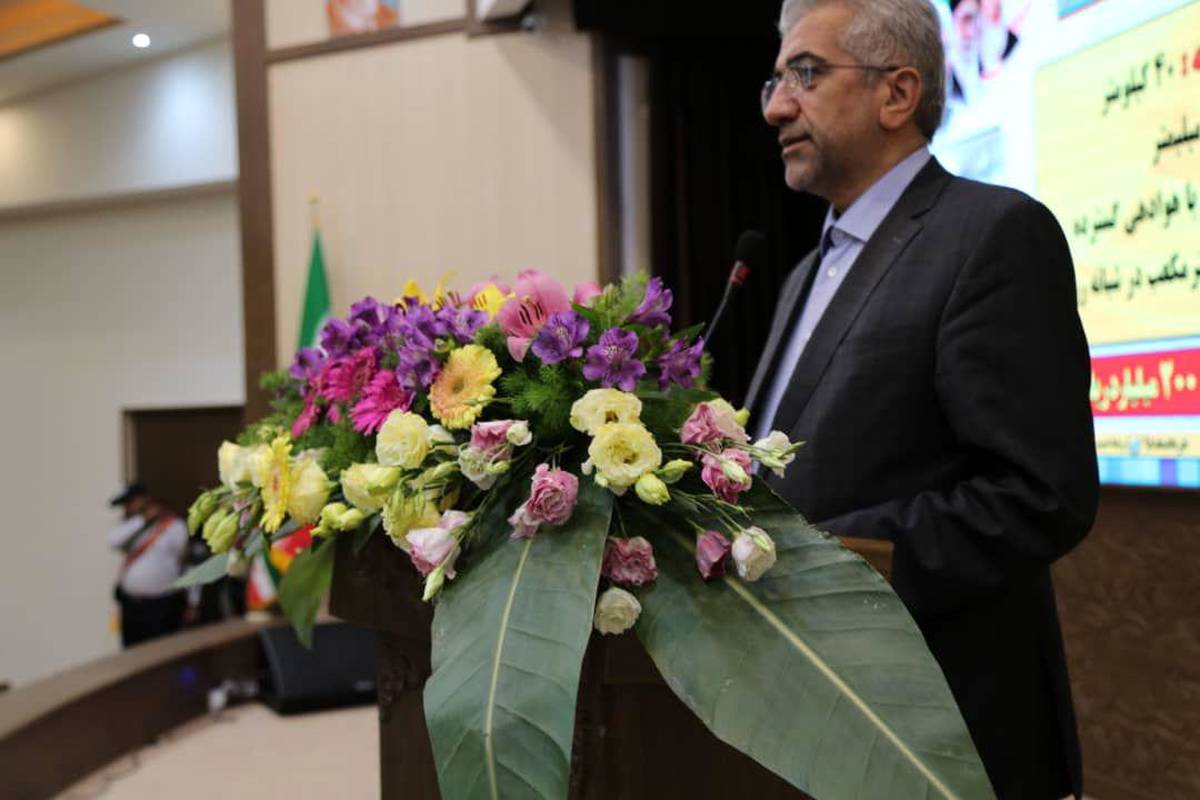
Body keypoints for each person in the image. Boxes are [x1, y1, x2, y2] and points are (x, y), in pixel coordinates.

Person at [749, 1, 1098, 798]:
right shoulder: (804, 273)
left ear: (897, 94)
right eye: (774, 81)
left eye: (805, 74)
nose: (776, 107)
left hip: (943, 726)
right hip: (812, 721)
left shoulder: (993, 234)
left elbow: (1041, 495)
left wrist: (821, 565)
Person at [108, 483, 195, 647]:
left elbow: (188, 563)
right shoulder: (130, 526)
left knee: (163, 651)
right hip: (132, 606)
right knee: (133, 653)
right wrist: (143, 520)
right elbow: (113, 541)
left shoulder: (172, 526)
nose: (127, 508)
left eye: (129, 502)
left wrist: (192, 601)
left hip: (161, 606)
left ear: (143, 499)